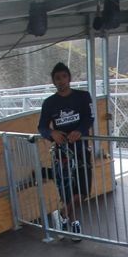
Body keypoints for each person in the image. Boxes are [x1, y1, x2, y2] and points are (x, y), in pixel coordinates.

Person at [38, 62, 94, 241]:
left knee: (83, 191)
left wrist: (81, 131)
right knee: (68, 190)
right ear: (53, 81)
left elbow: (89, 117)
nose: (61, 81)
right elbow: (42, 127)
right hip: (62, 153)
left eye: (64, 77)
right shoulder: (49, 103)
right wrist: (52, 133)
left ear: (69, 78)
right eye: (57, 78)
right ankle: (74, 224)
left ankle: (62, 214)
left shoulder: (83, 96)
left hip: (81, 149)